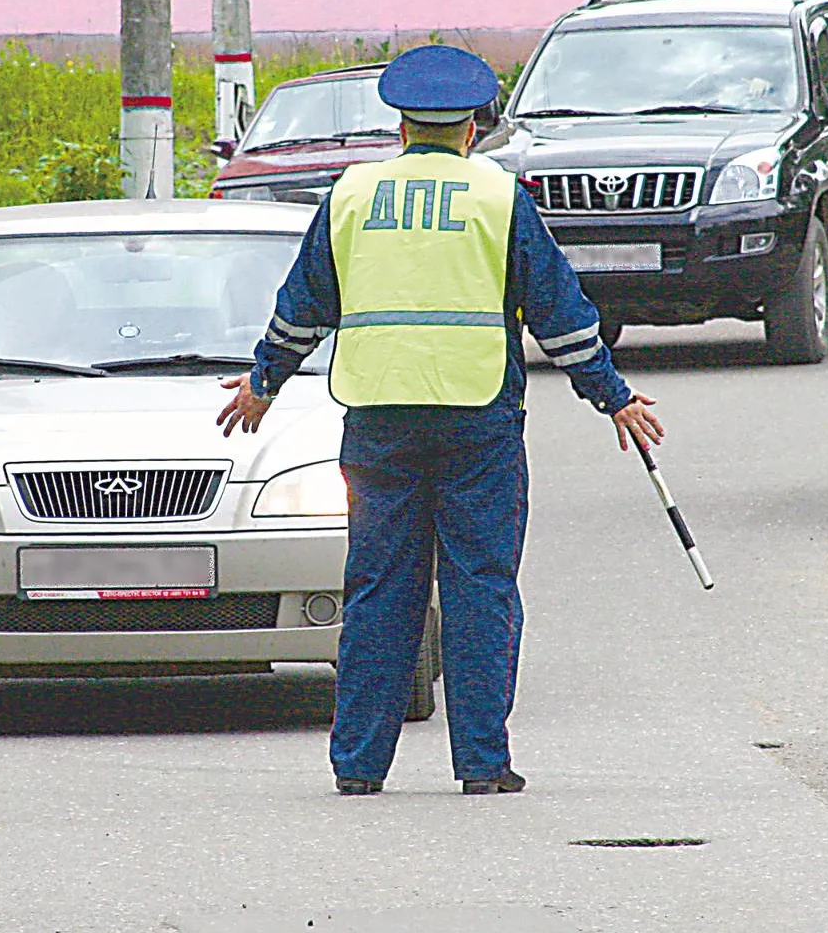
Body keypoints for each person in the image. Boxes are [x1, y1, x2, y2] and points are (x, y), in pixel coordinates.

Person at [216, 44, 665, 796]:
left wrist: (263, 382)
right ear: (471, 128)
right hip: (477, 420)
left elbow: (304, 306)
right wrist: (612, 395)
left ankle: (359, 767)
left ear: (399, 127)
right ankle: (482, 766)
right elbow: (560, 315)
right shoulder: (498, 197)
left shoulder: (352, 196)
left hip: (380, 422)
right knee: (479, 587)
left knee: (379, 591)